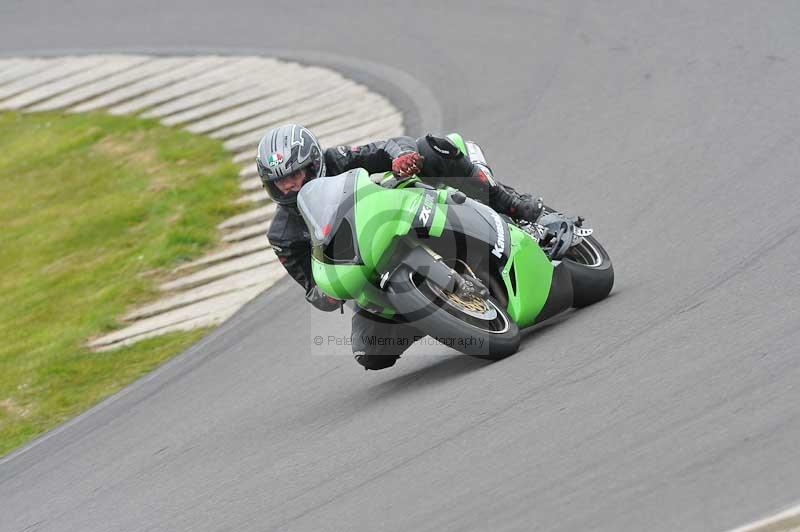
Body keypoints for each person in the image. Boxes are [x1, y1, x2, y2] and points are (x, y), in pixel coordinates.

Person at [257, 124, 544, 370]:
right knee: (370, 353)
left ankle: (509, 203)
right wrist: (327, 294)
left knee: (429, 148)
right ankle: (430, 312)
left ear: (313, 164)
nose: (290, 187)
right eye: (281, 183)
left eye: (295, 176)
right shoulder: (283, 236)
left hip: (394, 217)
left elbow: (386, 148)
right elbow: (311, 288)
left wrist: (402, 157)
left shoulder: (336, 160)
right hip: (366, 272)